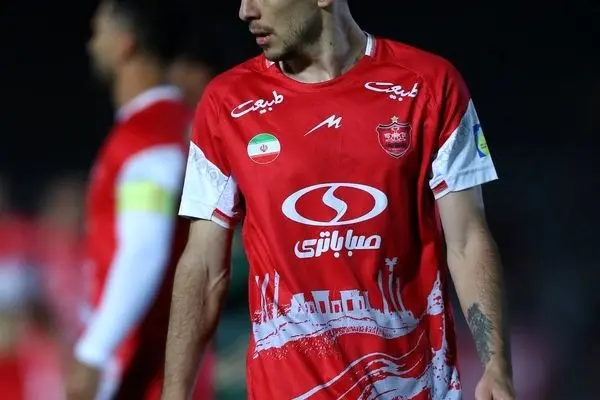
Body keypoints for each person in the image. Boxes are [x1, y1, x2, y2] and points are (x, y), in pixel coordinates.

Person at [162, 0, 516, 399]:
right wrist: (174, 393)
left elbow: (468, 240)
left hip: (413, 387)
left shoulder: (431, 85)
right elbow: (204, 265)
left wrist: (496, 364)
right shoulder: (225, 103)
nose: (246, 11)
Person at [66, 0, 209, 398]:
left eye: (98, 32)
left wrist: (94, 352)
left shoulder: (150, 136)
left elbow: (144, 249)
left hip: (143, 367)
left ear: (125, 43)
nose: (91, 44)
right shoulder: (159, 127)